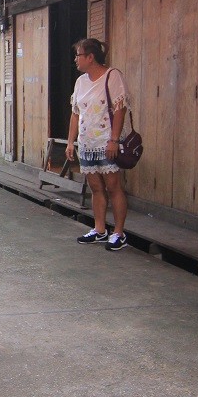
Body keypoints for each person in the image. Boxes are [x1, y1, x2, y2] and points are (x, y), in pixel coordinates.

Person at [65, 37, 130, 251]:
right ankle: (100, 229)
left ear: (90, 57)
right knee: (95, 187)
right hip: (87, 143)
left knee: (113, 187)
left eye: (79, 55)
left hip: (106, 142)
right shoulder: (80, 82)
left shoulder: (112, 76)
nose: (76, 60)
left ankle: (118, 233)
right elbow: (75, 114)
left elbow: (120, 109)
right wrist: (70, 142)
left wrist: (114, 139)